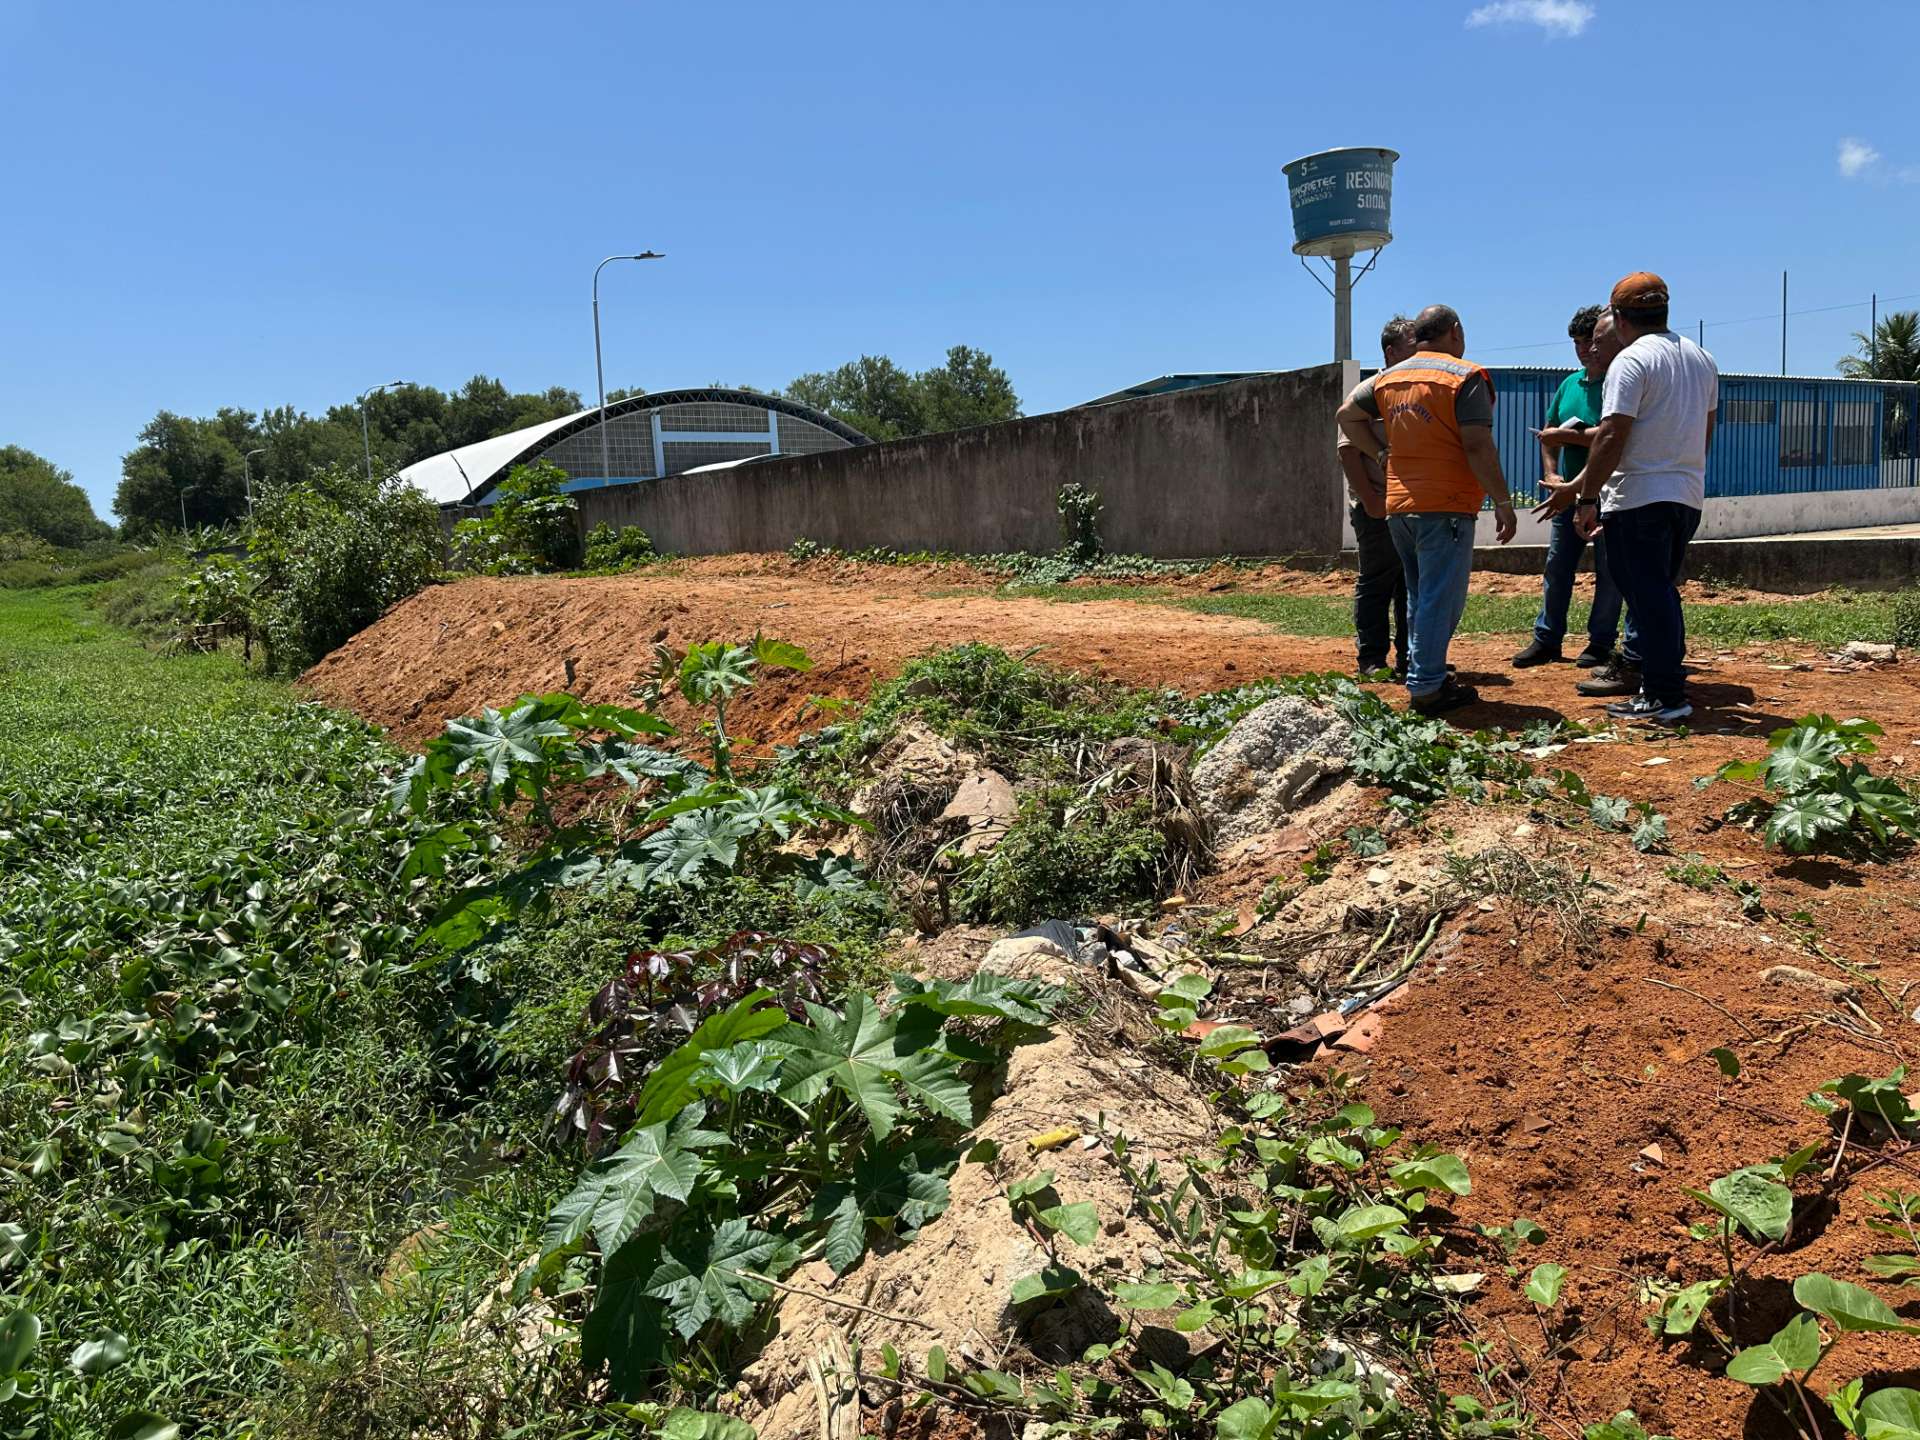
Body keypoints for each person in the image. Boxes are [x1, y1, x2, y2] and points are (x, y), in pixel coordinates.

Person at [1553, 272, 1718, 725]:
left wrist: (1587, 498)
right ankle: (1661, 684)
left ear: (1621, 320)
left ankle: (1664, 694)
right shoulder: (1701, 359)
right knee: (1661, 592)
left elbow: (1611, 434)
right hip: (1685, 495)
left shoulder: (1631, 362)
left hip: (1639, 496)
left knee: (1648, 596)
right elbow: (1705, 432)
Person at [1336, 304, 1517, 715]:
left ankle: (1422, 670)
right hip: (1446, 506)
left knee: (1420, 594)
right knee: (1440, 597)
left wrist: (1382, 453)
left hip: (1401, 507)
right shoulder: (1464, 376)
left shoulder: (1388, 379)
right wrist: (1503, 501)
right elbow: (1477, 444)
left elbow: (1346, 414)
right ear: (1455, 331)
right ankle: (1427, 686)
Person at [1511, 305, 1626, 670]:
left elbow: (1614, 435)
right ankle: (1547, 639)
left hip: (1610, 493)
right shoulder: (1569, 384)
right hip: (1568, 495)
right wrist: (1553, 474)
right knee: (1558, 568)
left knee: (1609, 572)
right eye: (1577, 342)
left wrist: (1570, 437)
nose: (1583, 349)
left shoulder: (1619, 382)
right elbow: (1549, 435)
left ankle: (1600, 643)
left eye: (1589, 341)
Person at [1337, 316, 1416, 678]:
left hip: (1411, 506)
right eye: (1412, 345)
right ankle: (1371, 658)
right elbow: (1348, 452)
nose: (1420, 351)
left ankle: (1409, 657)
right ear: (1391, 351)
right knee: (1377, 581)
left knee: (1409, 584)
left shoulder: (1416, 393)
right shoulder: (1369, 393)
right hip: (1377, 506)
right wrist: (1369, 501)